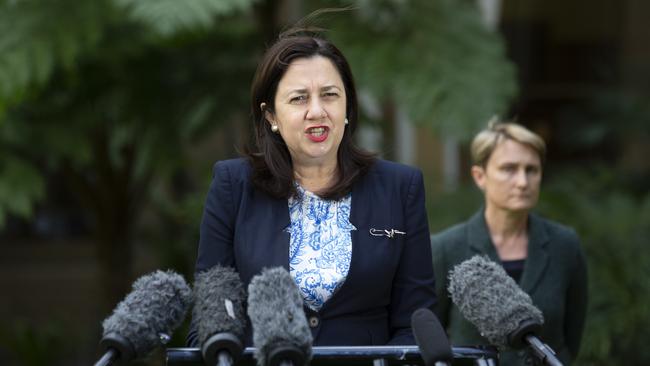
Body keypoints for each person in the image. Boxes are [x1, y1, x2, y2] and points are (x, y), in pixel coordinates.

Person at [187, 31, 436, 347]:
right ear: (271, 116)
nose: (317, 111)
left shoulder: (400, 188)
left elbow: (416, 323)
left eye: (330, 94)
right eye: (299, 98)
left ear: (347, 106)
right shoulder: (233, 185)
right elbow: (209, 323)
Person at [431, 120, 588, 365]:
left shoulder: (565, 245)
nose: (523, 182)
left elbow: (571, 337)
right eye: (509, 169)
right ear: (480, 176)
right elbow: (430, 338)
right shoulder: (445, 248)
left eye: (531, 170)